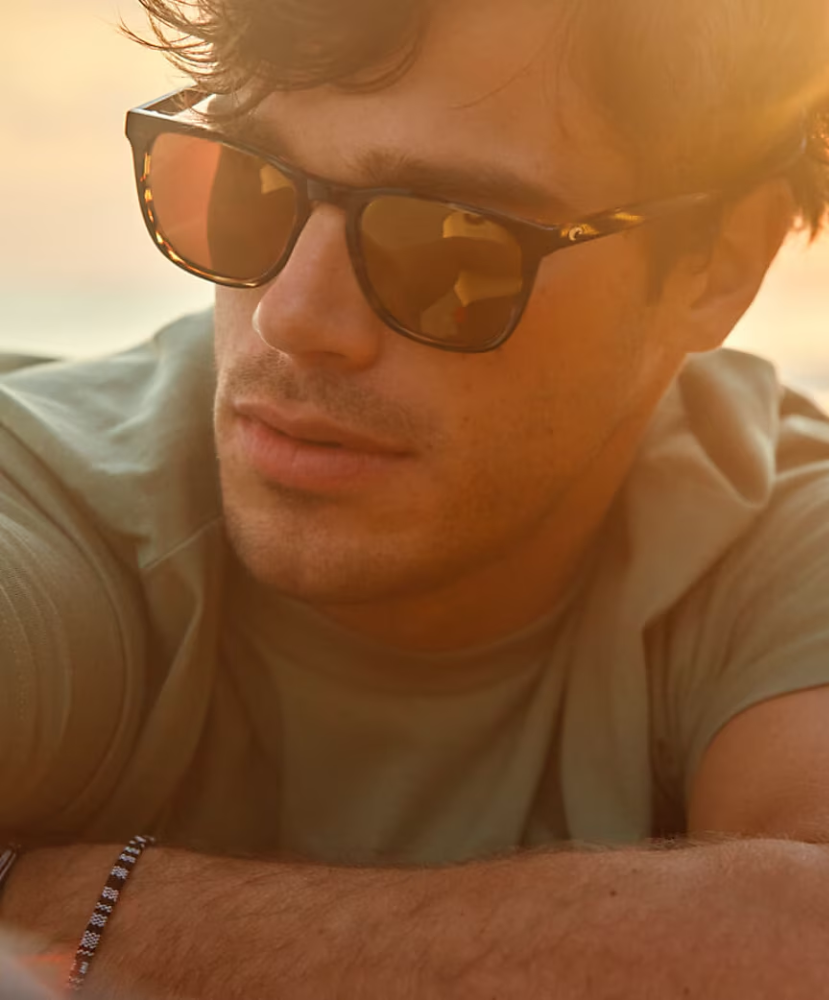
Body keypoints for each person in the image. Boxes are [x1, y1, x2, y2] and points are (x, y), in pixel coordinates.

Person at [1, 0, 829, 994]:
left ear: (716, 267)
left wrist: (73, 906)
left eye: (449, 241)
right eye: (246, 185)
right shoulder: (52, 497)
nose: (290, 317)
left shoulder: (773, 536)